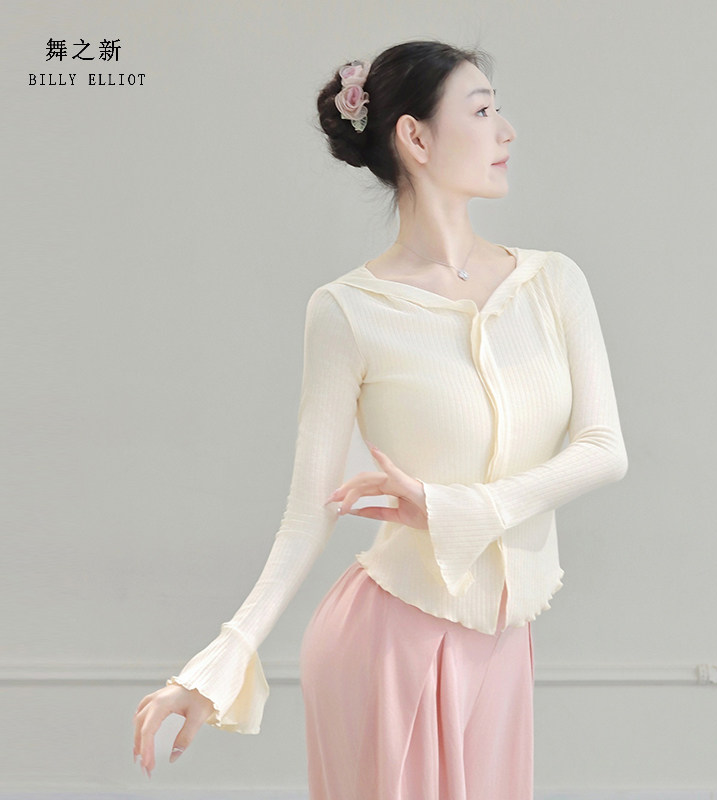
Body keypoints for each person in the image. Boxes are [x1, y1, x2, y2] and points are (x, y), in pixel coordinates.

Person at [132, 39, 628, 799]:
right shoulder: (348, 311)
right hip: (389, 645)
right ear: (415, 138)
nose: (507, 131)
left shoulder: (554, 283)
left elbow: (605, 449)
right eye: (483, 111)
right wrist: (223, 659)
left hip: (503, 645)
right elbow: (310, 511)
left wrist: (459, 509)